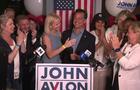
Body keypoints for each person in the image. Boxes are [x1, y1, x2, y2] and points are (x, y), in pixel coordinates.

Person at [111, 21, 140, 90]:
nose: (126, 34)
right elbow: (116, 58)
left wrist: (117, 49)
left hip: (129, 86)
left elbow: (128, 65)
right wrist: (113, 47)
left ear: (137, 34)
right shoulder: (127, 44)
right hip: (117, 80)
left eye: (129, 32)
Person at [0, 14, 25, 90]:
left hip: (18, 76)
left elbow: (23, 51)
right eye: (10, 24)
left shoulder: (14, 38)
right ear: (2, 26)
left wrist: (22, 39)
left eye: (13, 24)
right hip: (6, 78)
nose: (14, 26)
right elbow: (8, 59)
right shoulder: (1, 41)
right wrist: (18, 44)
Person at [90, 13, 112, 90]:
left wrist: (103, 37)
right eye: (98, 22)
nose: (100, 24)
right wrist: (101, 37)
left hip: (104, 68)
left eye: (102, 22)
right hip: (93, 68)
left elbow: (110, 52)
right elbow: (91, 51)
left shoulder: (109, 34)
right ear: (94, 23)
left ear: (105, 24)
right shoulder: (90, 34)